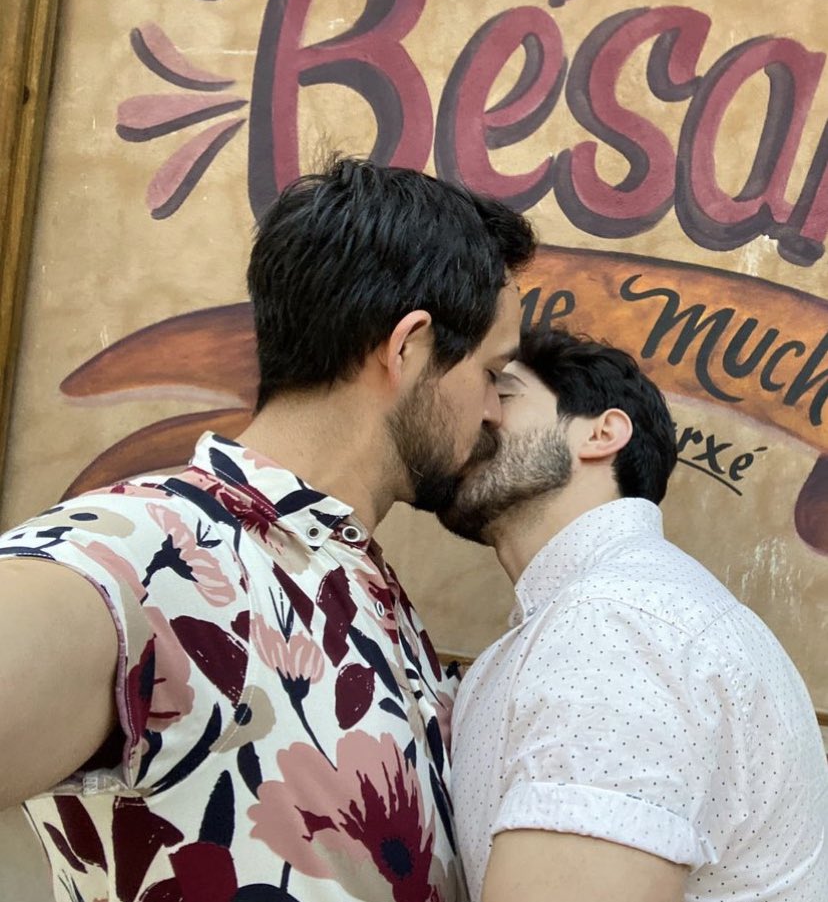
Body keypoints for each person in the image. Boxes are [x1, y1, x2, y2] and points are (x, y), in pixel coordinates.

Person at [0, 157, 535, 902]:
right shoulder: (160, 547)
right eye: (492, 372)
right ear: (408, 347)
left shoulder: (355, 571)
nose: (497, 412)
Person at [439, 327, 828, 902]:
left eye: (504, 391)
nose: (479, 410)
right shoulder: (605, 612)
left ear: (602, 433)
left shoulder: (613, 625)